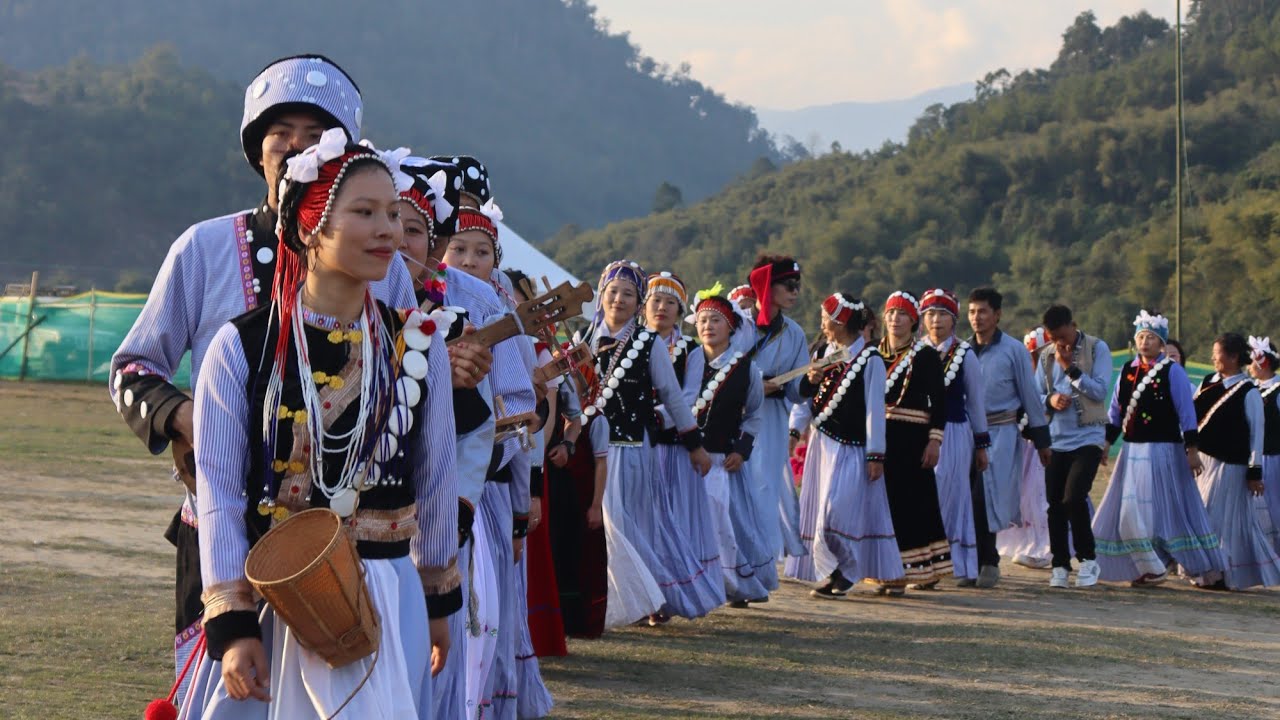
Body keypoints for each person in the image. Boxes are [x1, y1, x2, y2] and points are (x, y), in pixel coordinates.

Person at [107, 55, 420, 704]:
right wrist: (191, 417)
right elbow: (133, 369)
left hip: (341, 541)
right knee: (226, 696)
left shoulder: (380, 261)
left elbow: (409, 381)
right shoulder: (202, 248)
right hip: (221, 528)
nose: (298, 144)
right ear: (258, 148)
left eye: (317, 132)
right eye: (283, 131)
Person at [182, 133, 459, 717]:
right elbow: (220, 496)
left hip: (387, 597)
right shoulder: (240, 349)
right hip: (280, 601)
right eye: (363, 212)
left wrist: (437, 602)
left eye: (391, 212)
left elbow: (436, 483)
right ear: (310, 228)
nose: (387, 229)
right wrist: (232, 625)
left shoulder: (419, 344)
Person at [581, 260, 720, 623]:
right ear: (602, 295)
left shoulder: (648, 342)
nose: (619, 300)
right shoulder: (584, 338)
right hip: (590, 448)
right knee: (599, 525)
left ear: (637, 300)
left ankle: (645, 598)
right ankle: (611, 599)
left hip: (630, 447)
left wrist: (694, 445)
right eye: (613, 292)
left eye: (628, 294)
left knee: (630, 524)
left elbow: (675, 398)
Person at [1092, 311, 1225, 585]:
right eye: (1140, 336)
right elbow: (1116, 411)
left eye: (1151, 337)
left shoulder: (1172, 371)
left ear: (1161, 342)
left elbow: (1186, 413)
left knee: (1163, 511)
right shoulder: (1128, 371)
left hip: (1163, 451)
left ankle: (1172, 564)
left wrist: (1191, 450)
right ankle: (1147, 566)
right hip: (1131, 452)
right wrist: (1106, 443)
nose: (1144, 342)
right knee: (1130, 512)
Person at [785, 293, 899, 597]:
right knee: (818, 512)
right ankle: (836, 571)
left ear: (841, 322)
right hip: (821, 445)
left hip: (853, 448)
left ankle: (849, 568)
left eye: (826, 319)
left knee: (836, 514)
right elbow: (805, 400)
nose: (822, 325)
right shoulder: (823, 351)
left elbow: (876, 408)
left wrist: (876, 454)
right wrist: (794, 431)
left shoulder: (870, 359)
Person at [687, 293, 780, 606]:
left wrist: (742, 449)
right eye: (702, 321)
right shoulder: (687, 361)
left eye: (716, 320)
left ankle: (738, 583)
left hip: (721, 459)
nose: (708, 326)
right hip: (685, 457)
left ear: (730, 328)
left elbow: (754, 415)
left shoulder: (745, 370)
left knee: (728, 524)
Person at [646, 272, 725, 618]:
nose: (661, 308)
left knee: (673, 521)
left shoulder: (691, 350)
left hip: (672, 448)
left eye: (669, 303)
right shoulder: (632, 343)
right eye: (655, 301)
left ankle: (667, 598)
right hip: (638, 447)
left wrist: (650, 416)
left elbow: (688, 398)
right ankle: (643, 595)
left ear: (679, 310)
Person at [967, 288, 1052, 588]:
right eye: (972, 312)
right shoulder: (963, 351)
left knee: (985, 498)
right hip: (965, 434)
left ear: (997, 314)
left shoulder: (1013, 350)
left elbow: (1030, 396)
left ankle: (989, 561)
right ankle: (970, 563)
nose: (977, 318)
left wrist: (1042, 441)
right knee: (965, 498)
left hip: (1000, 432)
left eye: (983, 311)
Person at [876, 291, 953, 594]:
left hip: (912, 439)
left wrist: (934, 441)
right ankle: (886, 569)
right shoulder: (874, 354)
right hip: (881, 438)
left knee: (913, 504)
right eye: (891, 313)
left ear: (913, 321)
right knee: (884, 505)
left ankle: (916, 570)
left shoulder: (924, 355)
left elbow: (939, 403)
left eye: (903, 314)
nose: (895, 319)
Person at [1192, 333, 1280, 590]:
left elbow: (1257, 434)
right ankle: (1208, 572)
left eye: (1217, 352)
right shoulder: (1208, 382)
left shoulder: (1248, 391)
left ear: (1232, 357)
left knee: (1218, 519)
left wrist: (1254, 472)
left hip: (1231, 465)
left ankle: (1223, 572)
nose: (1213, 357)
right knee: (1204, 516)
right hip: (1203, 461)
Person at [1038, 304, 1111, 589]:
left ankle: (1088, 560)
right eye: (1053, 337)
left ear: (1073, 325)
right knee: (1054, 504)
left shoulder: (1096, 348)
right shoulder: (1046, 355)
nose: (1059, 343)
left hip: (1088, 436)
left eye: (1063, 336)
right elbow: (1037, 392)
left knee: (1074, 497)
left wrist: (1070, 369)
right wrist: (1050, 400)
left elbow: (1100, 390)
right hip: (1056, 438)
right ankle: (1059, 564)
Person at [920, 288, 990, 583]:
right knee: (923, 497)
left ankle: (957, 563)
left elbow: (975, 402)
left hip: (954, 432)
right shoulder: (916, 351)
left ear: (953, 320)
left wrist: (981, 444)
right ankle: (925, 563)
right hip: (918, 434)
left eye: (943, 315)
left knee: (953, 495)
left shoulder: (964, 354)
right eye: (930, 314)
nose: (936, 320)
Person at [745, 255, 809, 560]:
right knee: (737, 489)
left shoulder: (795, 333)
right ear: (768, 285)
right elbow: (720, 370)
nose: (795, 291)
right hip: (737, 417)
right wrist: (757, 384)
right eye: (788, 285)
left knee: (765, 490)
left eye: (798, 286)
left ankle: (762, 567)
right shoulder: (738, 325)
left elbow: (797, 393)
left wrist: (810, 382)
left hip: (772, 422)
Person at [994, 328, 1053, 569]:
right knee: (1026, 500)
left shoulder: (1055, 378)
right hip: (1026, 446)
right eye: (1031, 355)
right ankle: (1033, 544)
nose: (1035, 361)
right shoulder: (1022, 378)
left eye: (1039, 355)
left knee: (1041, 498)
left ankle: (1046, 549)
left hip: (1047, 445)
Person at [1247, 336, 1280, 553]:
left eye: (1251, 361)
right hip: (1254, 458)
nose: (1248, 367)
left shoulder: (1277, 390)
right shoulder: (1251, 389)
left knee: (1275, 505)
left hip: (1274, 458)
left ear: (1263, 362)